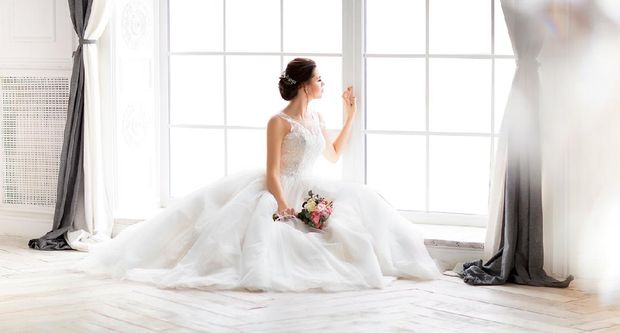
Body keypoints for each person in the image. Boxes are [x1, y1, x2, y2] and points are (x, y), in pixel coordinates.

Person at [76, 58, 440, 291]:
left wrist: (350, 117)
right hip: (278, 187)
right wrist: (283, 205)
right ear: (303, 85)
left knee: (358, 210)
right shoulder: (277, 122)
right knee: (267, 238)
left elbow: (331, 155)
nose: (324, 84)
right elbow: (271, 171)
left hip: (309, 186)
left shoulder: (317, 118)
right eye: (319, 79)